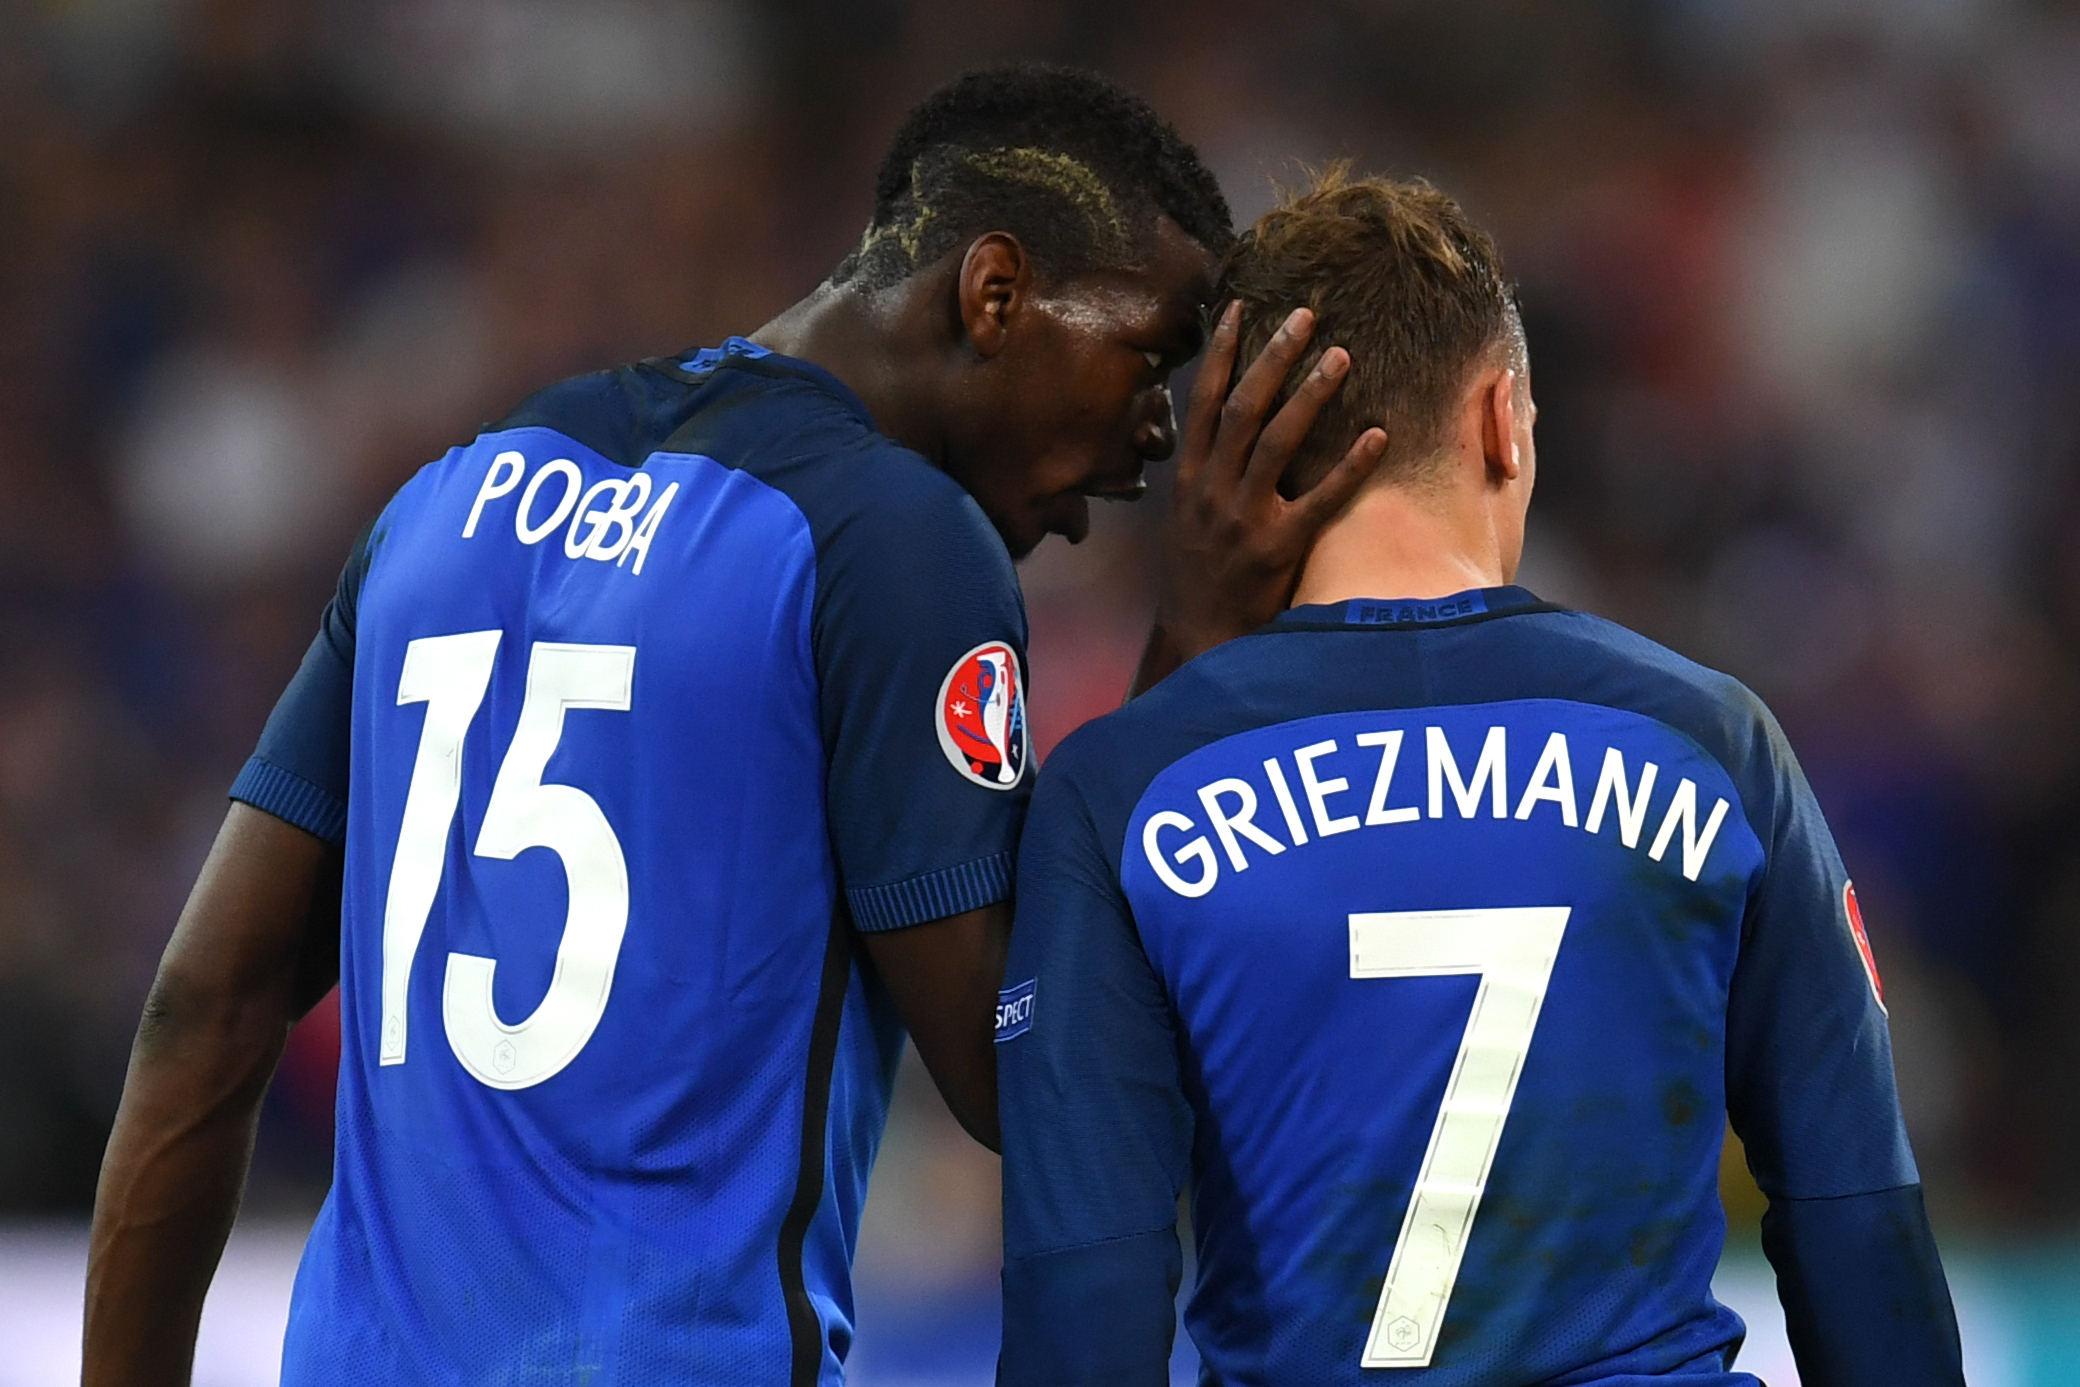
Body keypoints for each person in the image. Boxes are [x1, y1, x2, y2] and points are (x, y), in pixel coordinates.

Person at [82, 66, 1382, 1387]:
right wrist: (1197, 644)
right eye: (1151, 360)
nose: (1157, 436)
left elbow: (206, 1004)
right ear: (995, 292)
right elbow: (1023, 1067)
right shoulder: (890, 541)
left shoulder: (455, 491)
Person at [995, 169, 1964, 1386]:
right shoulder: (1710, 742)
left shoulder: (1118, 792)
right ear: (1503, 417)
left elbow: (1085, 1291)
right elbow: (1855, 1222)